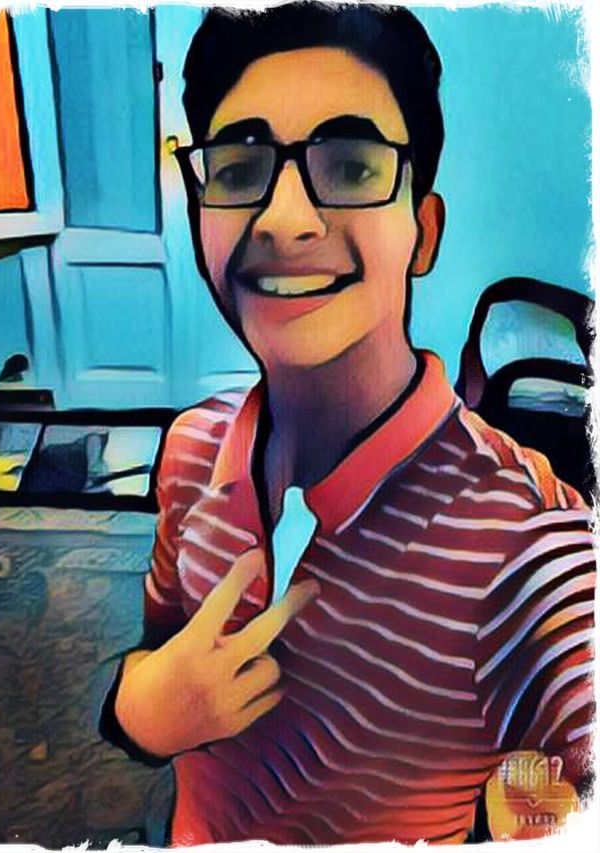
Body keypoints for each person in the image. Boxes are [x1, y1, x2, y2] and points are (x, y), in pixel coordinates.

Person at [102, 4, 595, 845]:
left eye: (352, 165)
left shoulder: (527, 540)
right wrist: (139, 711)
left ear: (423, 233)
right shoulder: (191, 447)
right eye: (239, 168)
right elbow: (157, 650)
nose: (284, 219)